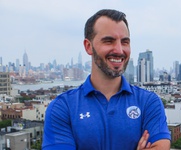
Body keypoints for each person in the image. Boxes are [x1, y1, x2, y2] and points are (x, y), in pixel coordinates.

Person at [42, 9, 171, 150]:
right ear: (88, 46)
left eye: (125, 42)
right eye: (109, 41)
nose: (119, 50)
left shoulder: (149, 102)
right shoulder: (62, 107)